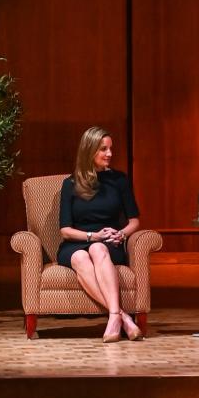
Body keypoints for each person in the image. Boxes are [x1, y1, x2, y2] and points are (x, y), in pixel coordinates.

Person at [56, 125, 142, 342]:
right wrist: (92, 235)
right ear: (89, 151)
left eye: (110, 148)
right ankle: (121, 316)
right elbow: (65, 230)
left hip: (109, 244)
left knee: (97, 249)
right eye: (103, 149)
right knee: (81, 256)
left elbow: (134, 221)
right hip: (76, 242)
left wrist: (121, 234)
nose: (110, 154)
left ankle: (114, 318)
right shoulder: (70, 184)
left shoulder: (119, 180)